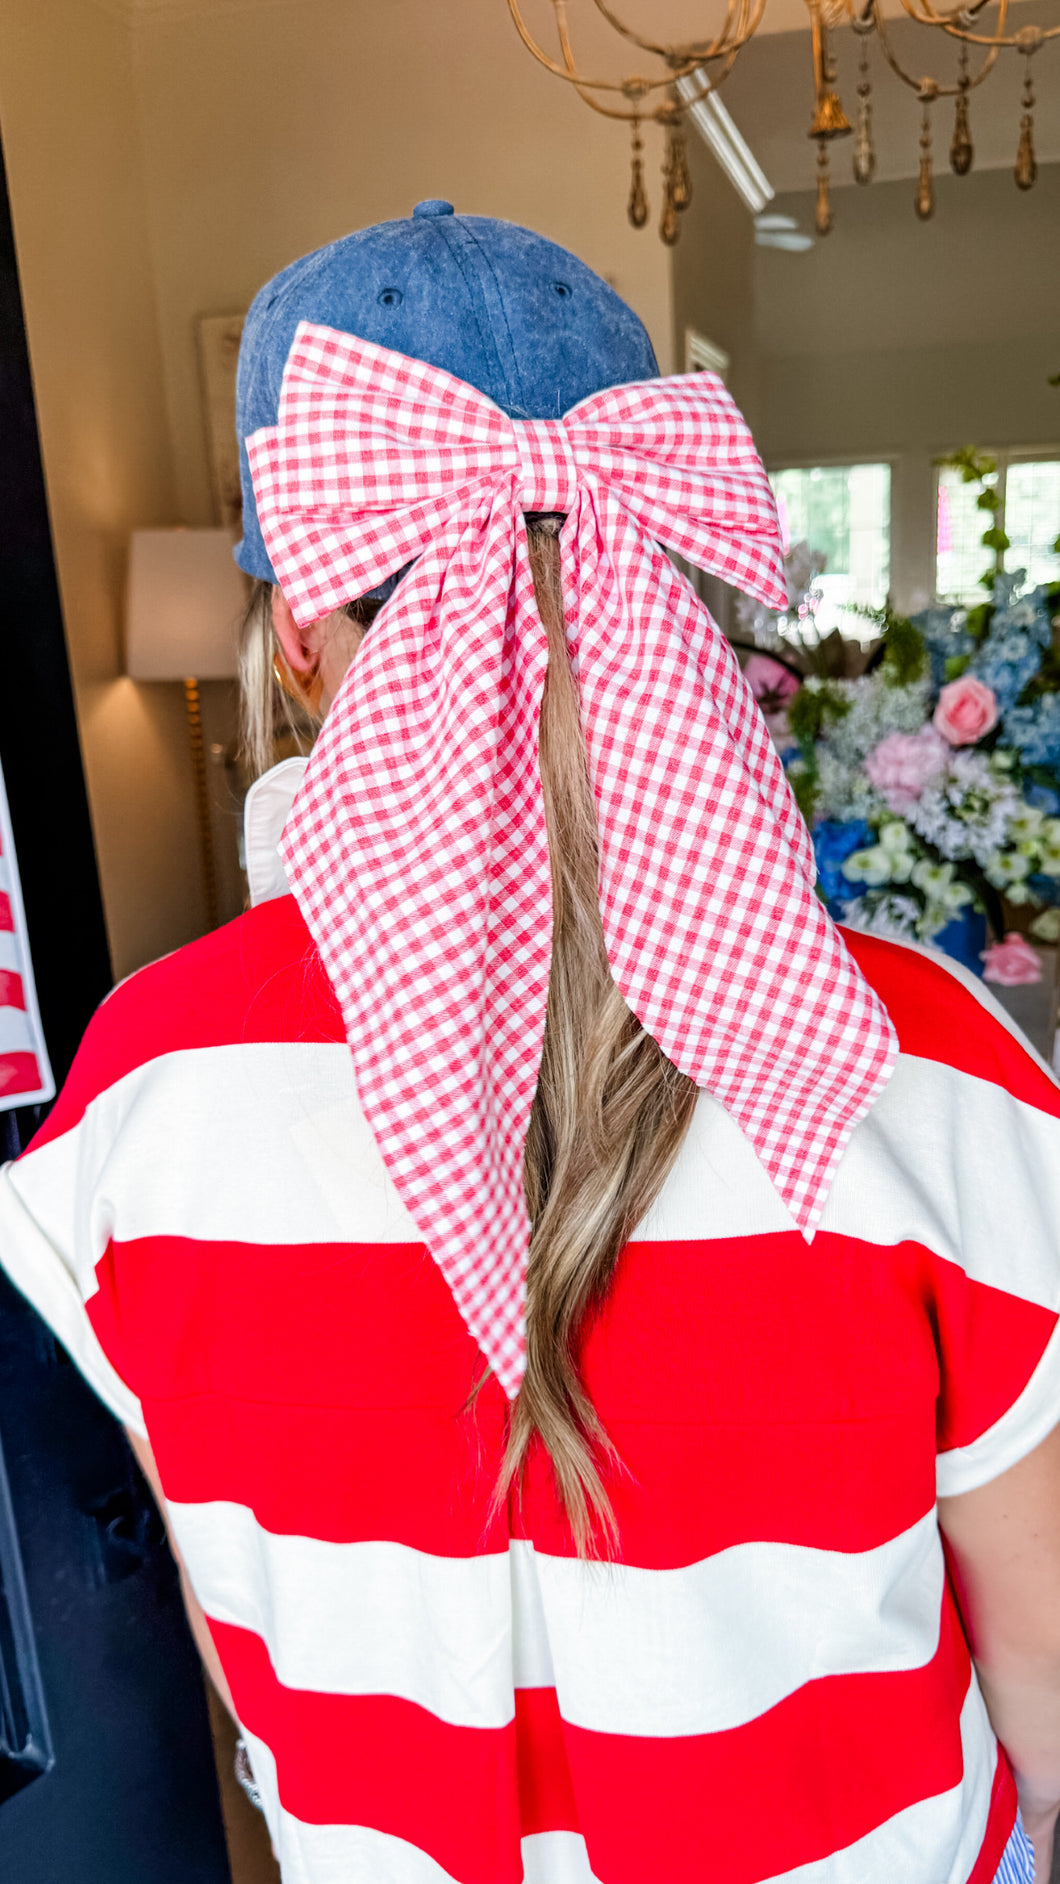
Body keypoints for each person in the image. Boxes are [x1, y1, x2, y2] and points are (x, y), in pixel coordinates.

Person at [1, 201, 1059, 1884]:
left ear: (293, 627)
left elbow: (241, 1677)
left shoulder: (138, 1102)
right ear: (666, 558)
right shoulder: (924, 1063)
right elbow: (1052, 1706)